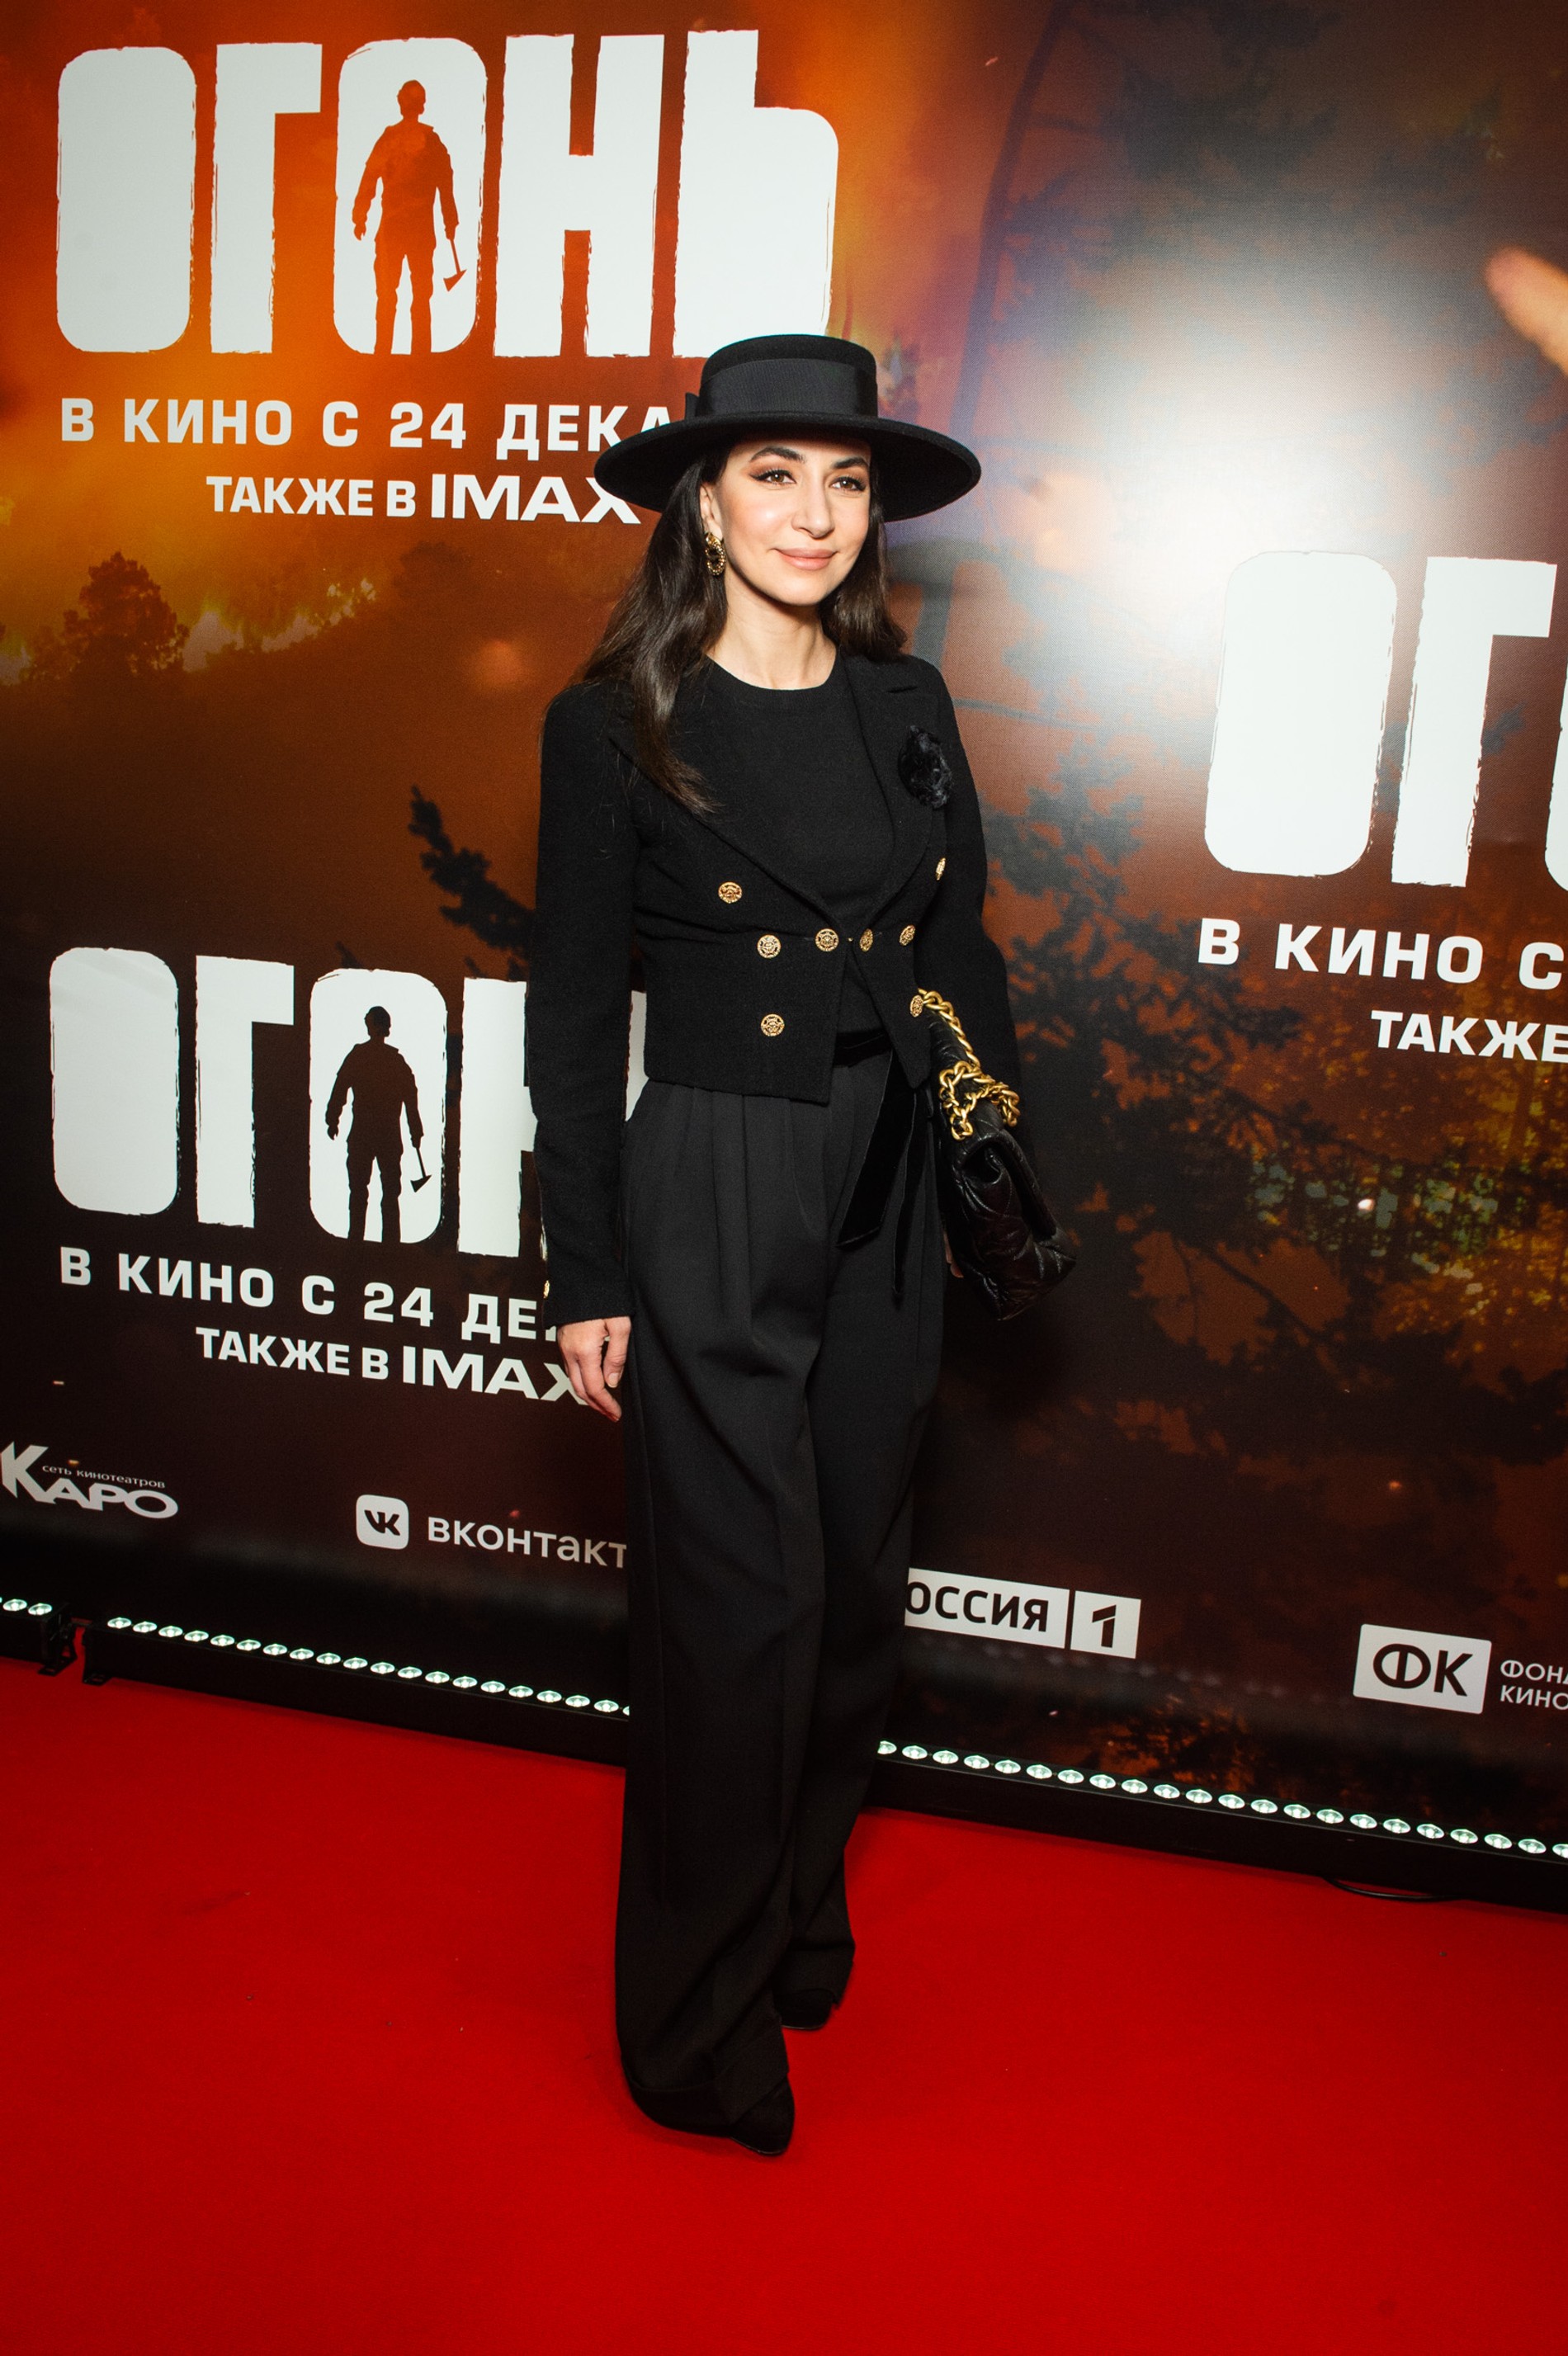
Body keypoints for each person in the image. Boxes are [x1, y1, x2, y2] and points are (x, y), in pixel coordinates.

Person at [526, 333, 1023, 2157]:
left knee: (858, 1591)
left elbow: (956, 952)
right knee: (739, 1614)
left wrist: (982, 1158)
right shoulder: (613, 720)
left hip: (889, 1163)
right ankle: (694, 2018)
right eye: (773, 475)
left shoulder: (909, 699)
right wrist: (587, 1269)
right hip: (719, 1164)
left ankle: (801, 1914)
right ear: (702, 502)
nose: (815, 514)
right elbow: (572, 1010)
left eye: (846, 480)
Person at [352, 80, 458, 358]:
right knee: (418, 296)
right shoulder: (430, 141)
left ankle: (385, 355)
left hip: (396, 229)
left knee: (391, 295)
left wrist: (360, 215)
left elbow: (369, 177)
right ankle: (416, 357)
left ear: (402, 103)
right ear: (421, 106)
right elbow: (446, 184)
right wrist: (450, 219)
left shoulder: (392, 139)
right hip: (414, 229)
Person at [325, 1006, 423, 1244]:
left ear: (371, 1026)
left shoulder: (359, 1056)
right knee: (389, 1192)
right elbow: (411, 1098)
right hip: (387, 1136)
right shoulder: (396, 1061)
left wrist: (333, 1119)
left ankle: (357, 1241)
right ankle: (389, 1244)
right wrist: (415, 1131)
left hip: (364, 1134)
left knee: (360, 1191)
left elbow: (340, 1088)